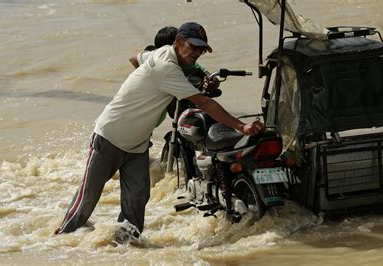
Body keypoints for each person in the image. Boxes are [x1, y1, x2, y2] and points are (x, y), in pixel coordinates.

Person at [54, 22, 265, 245]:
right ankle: (59, 243)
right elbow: (204, 102)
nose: (197, 53)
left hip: (137, 144)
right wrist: (241, 127)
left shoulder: (161, 54)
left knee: (138, 199)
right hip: (110, 136)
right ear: (178, 42)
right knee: (87, 199)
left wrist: (144, 87)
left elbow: (136, 58)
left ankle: (121, 248)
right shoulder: (167, 67)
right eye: (193, 47)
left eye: (201, 49)